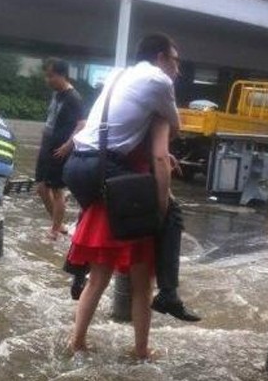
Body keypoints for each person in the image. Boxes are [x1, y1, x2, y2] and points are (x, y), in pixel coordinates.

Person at [63, 33, 197, 359]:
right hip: (129, 196)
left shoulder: (119, 77)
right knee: (142, 283)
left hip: (90, 175)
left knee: (98, 279)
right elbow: (162, 157)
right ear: (162, 57)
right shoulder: (158, 91)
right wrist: (161, 207)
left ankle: (77, 340)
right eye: (175, 61)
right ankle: (144, 344)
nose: (177, 70)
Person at [35, 58, 85, 240]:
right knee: (41, 188)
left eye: (51, 76)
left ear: (62, 75)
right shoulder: (56, 94)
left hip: (60, 149)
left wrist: (67, 145)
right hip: (47, 146)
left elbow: (82, 124)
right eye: (46, 76)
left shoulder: (74, 97)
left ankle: (55, 230)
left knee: (57, 190)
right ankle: (58, 224)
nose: (47, 80)